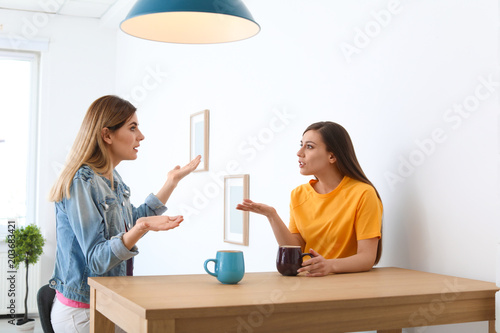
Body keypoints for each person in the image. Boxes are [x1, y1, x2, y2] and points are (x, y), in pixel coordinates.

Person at [47, 95, 201, 332]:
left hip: (107, 303)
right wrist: (141, 228)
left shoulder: (111, 178)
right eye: (133, 127)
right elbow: (97, 260)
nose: (141, 136)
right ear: (107, 135)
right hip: (81, 312)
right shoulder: (82, 182)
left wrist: (171, 182)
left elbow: (131, 222)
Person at [237, 121, 382, 277]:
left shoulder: (363, 193)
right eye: (301, 144)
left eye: (309, 146)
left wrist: (330, 265)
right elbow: (296, 248)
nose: (299, 153)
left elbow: (366, 258)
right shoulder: (298, 194)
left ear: (332, 156)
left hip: (347, 285)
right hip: (307, 282)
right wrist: (271, 216)